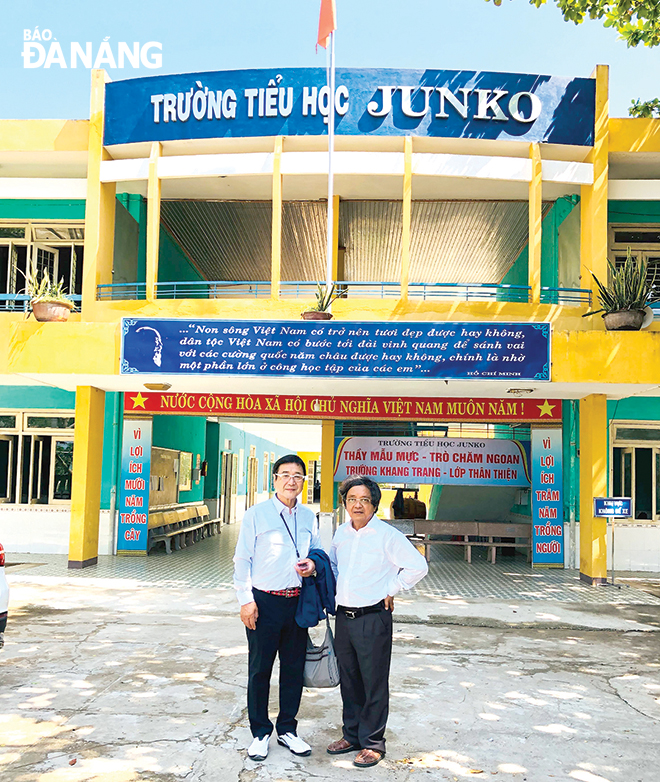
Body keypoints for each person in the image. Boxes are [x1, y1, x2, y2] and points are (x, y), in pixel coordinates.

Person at [327, 475, 428, 768]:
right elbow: (334, 565)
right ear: (345, 503)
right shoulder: (342, 533)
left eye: (364, 500)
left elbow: (418, 566)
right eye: (351, 499)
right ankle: (352, 735)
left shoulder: (387, 535)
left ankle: (372, 743)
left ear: (374, 505)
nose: (357, 505)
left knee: (373, 682)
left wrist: (390, 589)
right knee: (349, 680)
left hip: (372, 618)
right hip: (343, 618)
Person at [233, 454, 321, 762]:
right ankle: (260, 733)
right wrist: (246, 600)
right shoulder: (256, 514)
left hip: (296, 603)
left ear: (303, 481)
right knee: (260, 670)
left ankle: (287, 729)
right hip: (264, 602)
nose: (291, 481)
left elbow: (319, 554)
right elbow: (242, 559)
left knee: (294, 669)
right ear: (274, 479)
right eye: (285, 474)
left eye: (298, 475)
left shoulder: (310, 517)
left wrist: (312, 566)